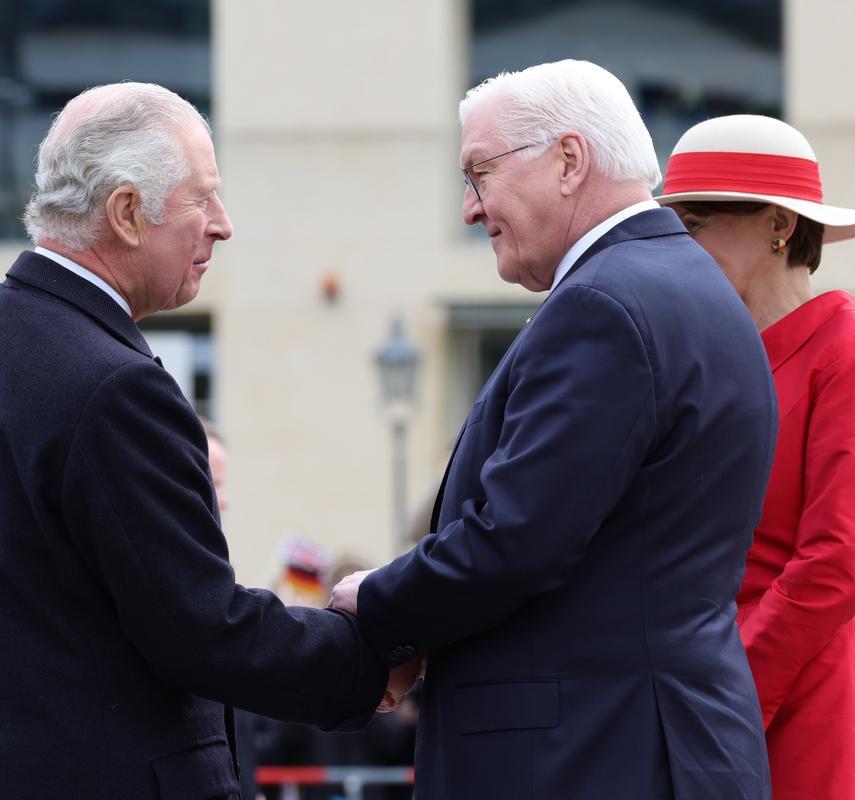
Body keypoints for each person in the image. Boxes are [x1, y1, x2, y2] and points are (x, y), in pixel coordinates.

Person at [0, 82, 390, 800]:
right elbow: (202, 629)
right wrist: (371, 654)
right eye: (203, 197)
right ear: (126, 213)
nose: (223, 224)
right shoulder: (115, 385)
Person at [329, 60, 777, 799]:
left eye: (479, 173)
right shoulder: (697, 290)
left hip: (586, 755)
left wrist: (378, 603)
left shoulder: (604, 305)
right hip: (664, 745)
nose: (472, 209)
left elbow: (517, 540)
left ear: (568, 161)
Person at [656, 114, 855, 800]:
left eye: (697, 224)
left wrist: (731, 685)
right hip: (703, 683)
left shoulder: (849, 352)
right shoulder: (709, 354)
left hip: (800, 688)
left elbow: (837, 564)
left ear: (778, 224)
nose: (679, 247)